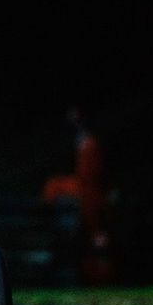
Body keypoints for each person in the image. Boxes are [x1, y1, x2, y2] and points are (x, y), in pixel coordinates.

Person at [42, 105, 112, 284]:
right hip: (86, 192)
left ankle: (101, 275)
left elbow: (90, 174)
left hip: (90, 193)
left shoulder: (89, 143)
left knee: (95, 233)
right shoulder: (82, 142)